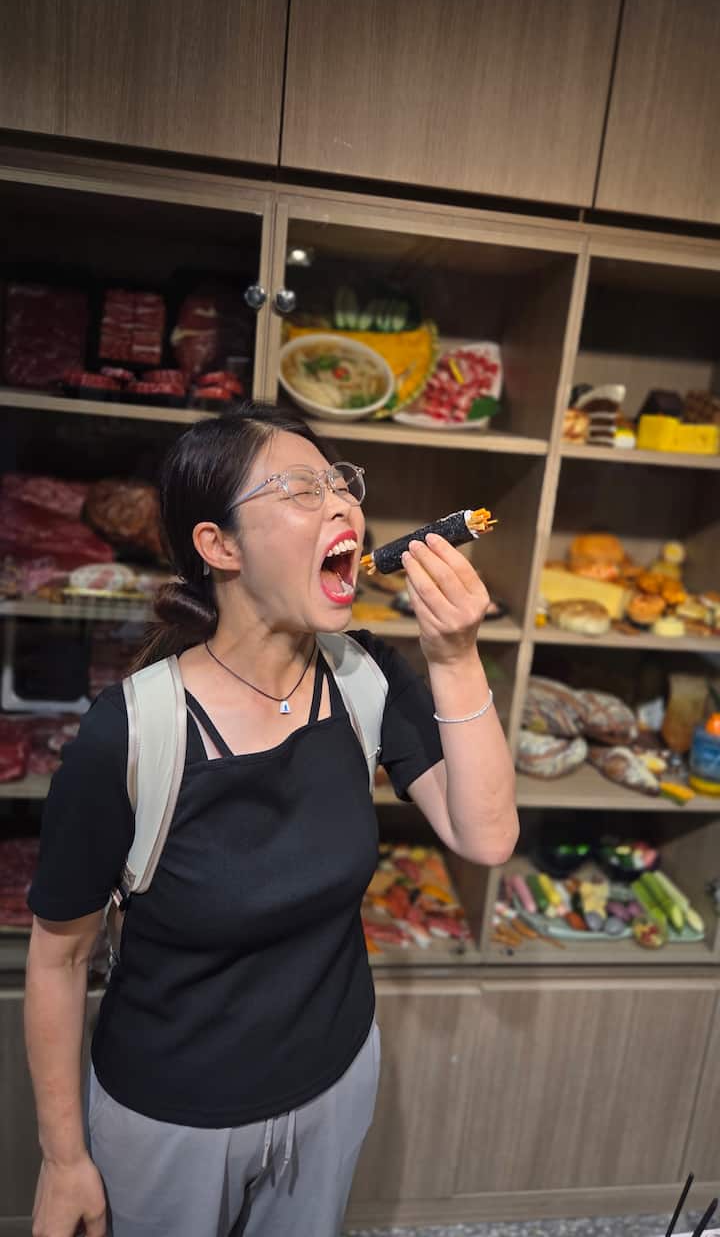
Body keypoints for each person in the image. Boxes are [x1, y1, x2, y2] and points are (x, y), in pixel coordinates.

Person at [25, 401, 518, 1237]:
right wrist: (64, 1157)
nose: (342, 505)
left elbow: (487, 835)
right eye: (300, 488)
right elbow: (59, 957)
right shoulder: (131, 730)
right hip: (169, 1117)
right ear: (219, 546)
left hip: (335, 1085)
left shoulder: (365, 675)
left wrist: (455, 654)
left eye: (341, 483)